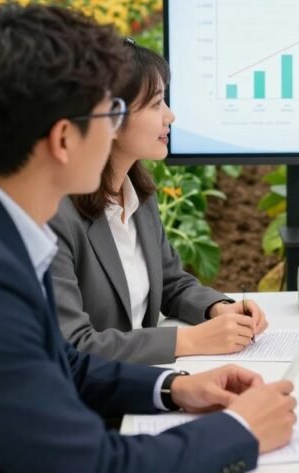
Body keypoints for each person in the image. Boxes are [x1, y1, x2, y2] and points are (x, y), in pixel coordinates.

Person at [0, 3, 296, 472]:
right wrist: (241, 432)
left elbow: (61, 361)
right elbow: (90, 466)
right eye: (109, 111)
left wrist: (171, 388)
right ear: (64, 139)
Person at [50, 39, 267, 364]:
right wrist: (188, 341)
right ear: (107, 117)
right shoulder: (57, 215)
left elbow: (170, 282)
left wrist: (218, 308)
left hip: (147, 380)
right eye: (156, 104)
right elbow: (73, 345)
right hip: (99, 404)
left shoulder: (138, 196)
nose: (170, 116)